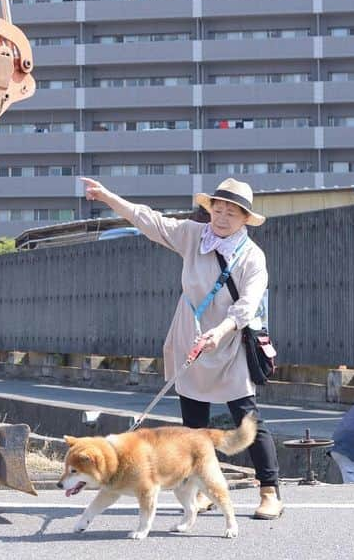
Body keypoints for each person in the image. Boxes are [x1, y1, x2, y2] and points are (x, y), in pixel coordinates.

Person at [81, 176, 283, 520]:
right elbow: (149, 220)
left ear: (245, 219)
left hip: (229, 339)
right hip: (189, 334)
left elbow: (247, 305)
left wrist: (220, 332)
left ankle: (270, 491)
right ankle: (200, 492)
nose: (221, 218)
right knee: (192, 424)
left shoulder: (252, 257)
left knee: (246, 415)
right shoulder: (193, 235)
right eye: (217, 209)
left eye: (231, 213)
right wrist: (108, 196)